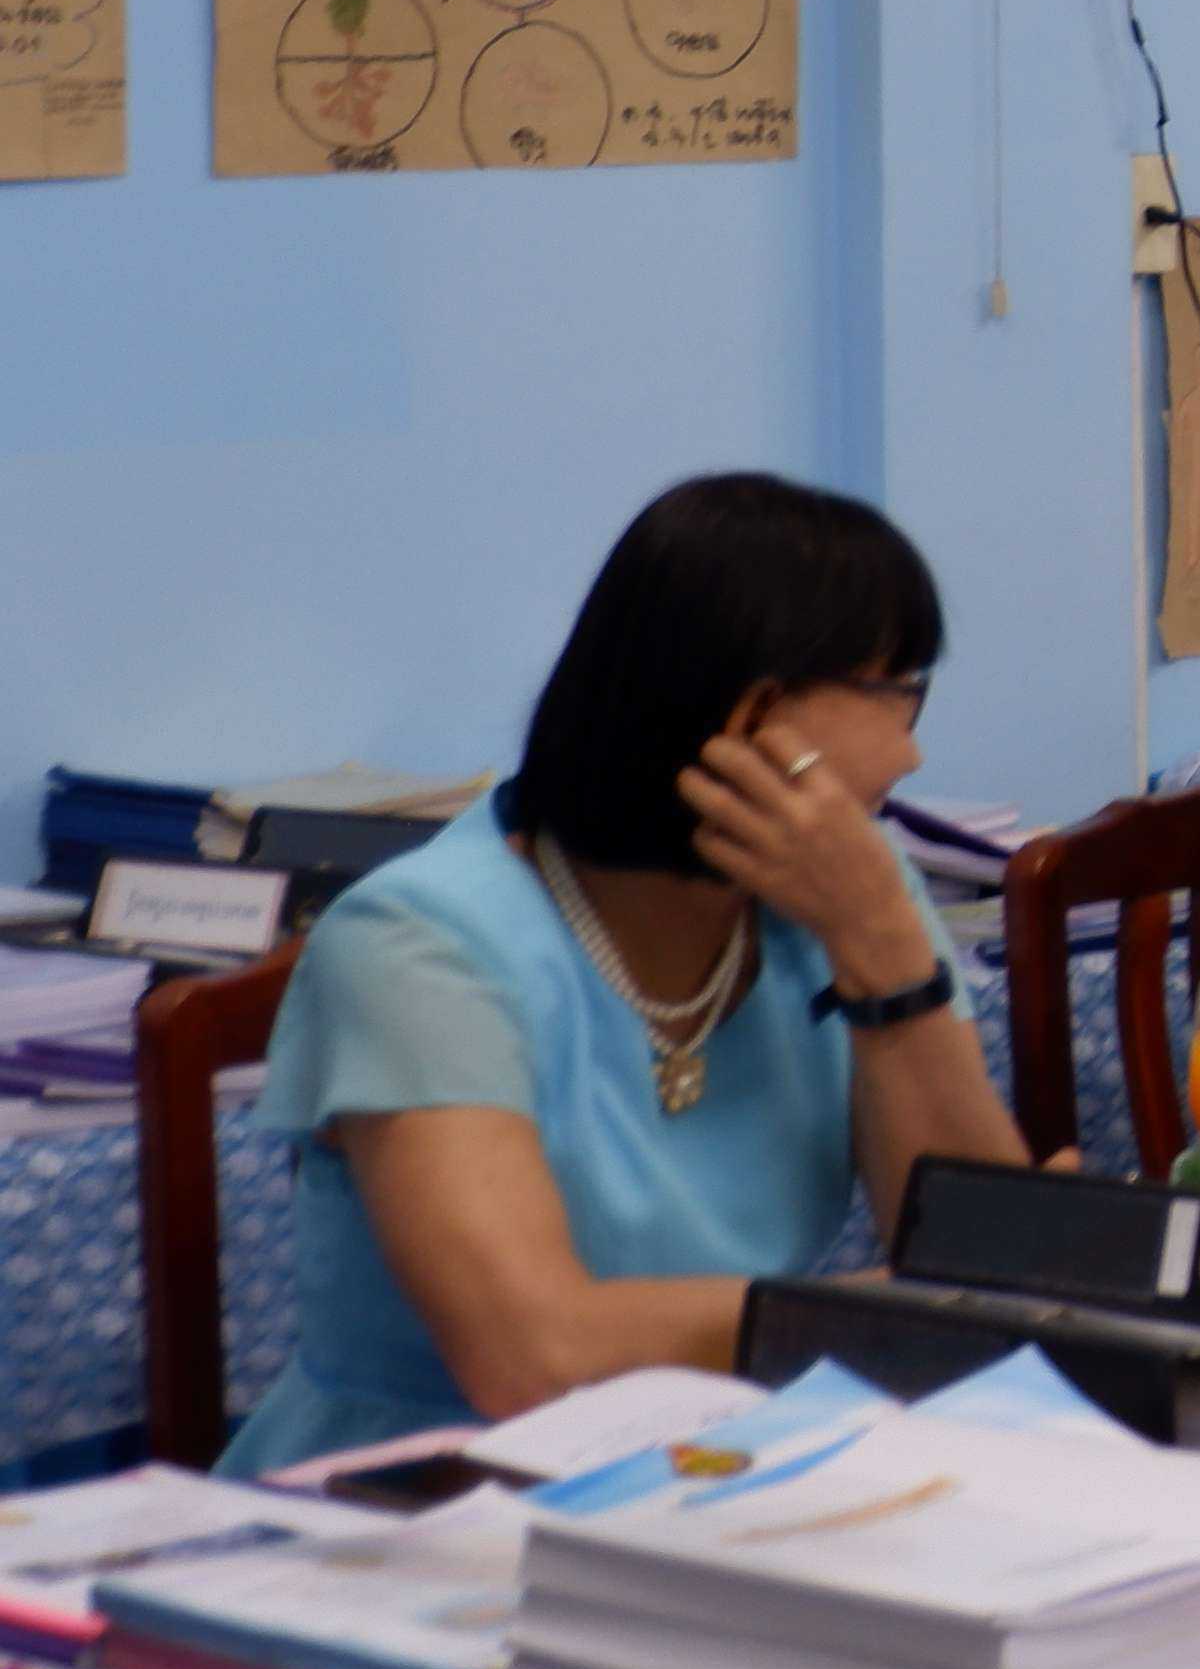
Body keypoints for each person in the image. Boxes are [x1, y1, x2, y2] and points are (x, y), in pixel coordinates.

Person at [231, 476, 1033, 1471]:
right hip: (432, 1488)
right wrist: (876, 1311)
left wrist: (886, 954)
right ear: (758, 717)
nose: (912, 751)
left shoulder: (853, 894)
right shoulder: (418, 942)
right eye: (901, 691)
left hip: (724, 1460)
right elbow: (530, 1356)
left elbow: (994, 1269)